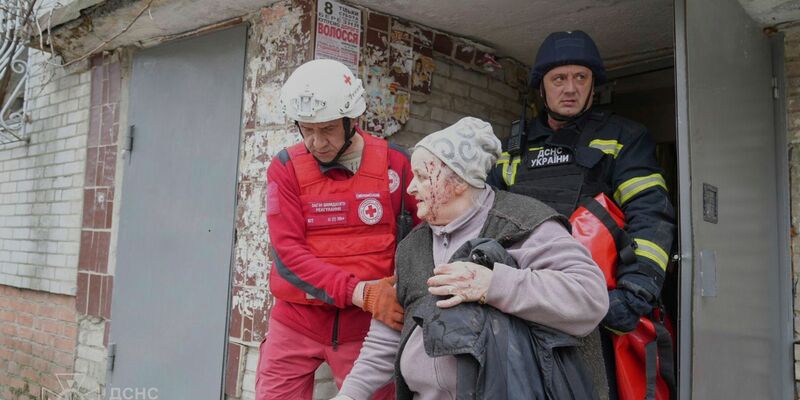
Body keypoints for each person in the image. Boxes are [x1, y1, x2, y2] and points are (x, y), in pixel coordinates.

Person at [331, 117, 609, 400]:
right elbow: (388, 334)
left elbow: (590, 297)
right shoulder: (412, 246)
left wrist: (494, 285)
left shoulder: (523, 223)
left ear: (459, 181)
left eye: (423, 177)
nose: (410, 188)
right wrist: (350, 395)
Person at [488, 30, 676, 398]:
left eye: (581, 77)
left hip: (594, 307)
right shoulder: (513, 149)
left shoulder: (624, 138)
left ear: (594, 85)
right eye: (559, 78)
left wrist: (635, 292)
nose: (570, 88)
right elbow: (487, 219)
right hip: (522, 303)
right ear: (541, 87)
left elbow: (651, 215)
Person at [256, 59, 418, 400]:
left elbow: (420, 242)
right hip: (296, 320)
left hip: (368, 329)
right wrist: (360, 292)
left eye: (328, 128)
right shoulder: (285, 168)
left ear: (351, 120)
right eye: (307, 129)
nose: (317, 142)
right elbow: (288, 254)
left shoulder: (396, 164)